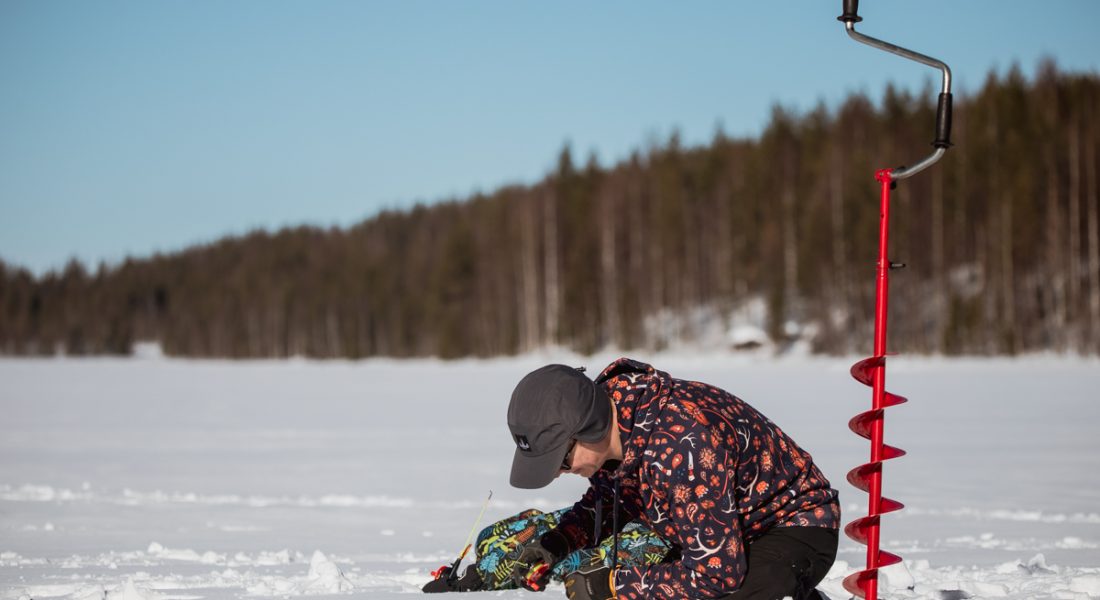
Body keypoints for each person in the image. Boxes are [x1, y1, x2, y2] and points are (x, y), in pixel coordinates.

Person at [506, 358, 840, 600]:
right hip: (726, 536)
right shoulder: (621, 420)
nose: (561, 472)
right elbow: (612, 500)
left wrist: (612, 585)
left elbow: (715, 574)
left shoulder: (683, 446)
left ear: (589, 427)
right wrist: (559, 542)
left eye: (561, 460)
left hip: (793, 529)